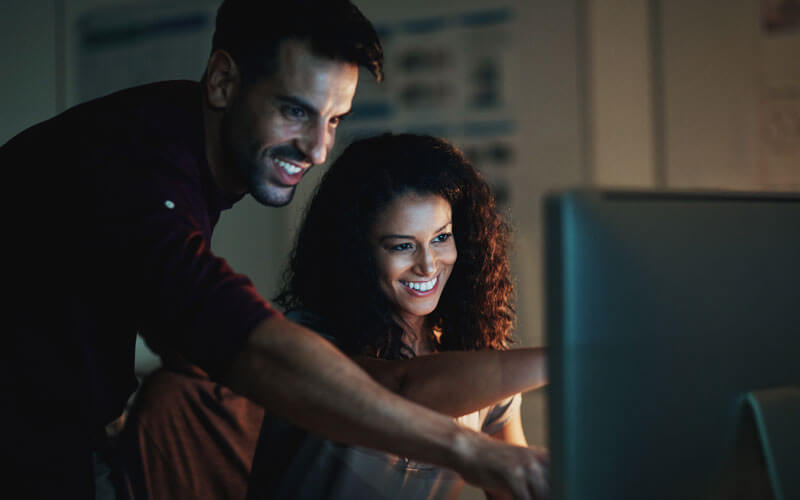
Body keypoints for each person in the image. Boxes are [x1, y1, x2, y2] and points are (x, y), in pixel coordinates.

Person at [1, 0, 547, 498]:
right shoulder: (138, 165)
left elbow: (173, 316)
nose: (318, 148)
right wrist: (471, 451)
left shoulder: (175, 139)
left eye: (334, 119)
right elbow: (242, 338)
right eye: (296, 111)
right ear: (222, 80)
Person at [244, 133, 548, 499]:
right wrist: (576, 355)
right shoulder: (304, 341)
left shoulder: (475, 366)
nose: (428, 265)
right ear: (356, 254)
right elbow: (402, 389)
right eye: (402, 246)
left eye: (441, 238)